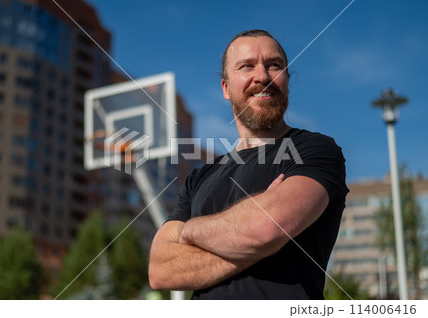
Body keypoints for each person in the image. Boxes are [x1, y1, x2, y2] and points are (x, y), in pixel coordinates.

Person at [148, 30, 349, 299]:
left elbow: (264, 230)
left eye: (274, 65)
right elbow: (161, 270)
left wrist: (186, 232)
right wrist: (257, 240)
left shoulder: (315, 150)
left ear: (287, 80)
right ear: (226, 88)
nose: (263, 76)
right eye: (247, 66)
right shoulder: (199, 178)